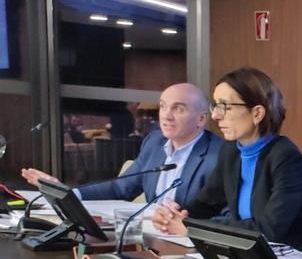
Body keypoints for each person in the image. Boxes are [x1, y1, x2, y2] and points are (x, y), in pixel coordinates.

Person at [151, 67, 302, 256]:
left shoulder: (286, 158)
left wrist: (195, 228)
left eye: (225, 106)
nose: (216, 115)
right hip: (250, 256)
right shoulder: (231, 151)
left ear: (257, 113)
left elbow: (269, 229)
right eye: (216, 105)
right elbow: (207, 203)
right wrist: (177, 216)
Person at [20, 83, 220, 206]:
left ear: (201, 119)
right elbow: (120, 188)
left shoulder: (220, 155)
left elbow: (223, 216)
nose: (166, 116)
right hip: (151, 236)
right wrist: (68, 194)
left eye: (178, 109)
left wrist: (184, 225)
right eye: (163, 106)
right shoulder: (155, 143)